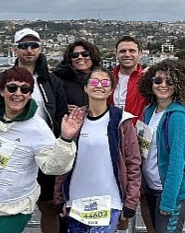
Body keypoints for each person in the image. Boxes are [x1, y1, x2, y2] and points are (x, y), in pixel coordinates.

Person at [0, 28, 69, 233]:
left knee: (48, 205)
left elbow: (60, 115)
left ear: (40, 48)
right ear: (15, 49)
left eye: (34, 45)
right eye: (23, 46)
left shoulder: (51, 82)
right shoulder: (1, 79)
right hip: (6, 153)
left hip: (40, 149)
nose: (29, 50)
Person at [54, 66, 142, 233]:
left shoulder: (122, 121)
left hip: (109, 203)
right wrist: (59, 197)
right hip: (76, 201)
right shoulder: (75, 120)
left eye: (105, 82)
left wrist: (130, 201)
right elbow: (63, 160)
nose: (99, 85)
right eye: (94, 81)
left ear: (111, 90)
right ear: (86, 87)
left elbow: (133, 164)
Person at [137, 59, 185, 233]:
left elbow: (177, 161)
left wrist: (169, 200)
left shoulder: (178, 117)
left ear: (178, 85)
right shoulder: (149, 111)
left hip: (171, 191)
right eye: (158, 80)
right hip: (152, 187)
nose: (163, 85)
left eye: (170, 81)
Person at [108, 35, 151, 233]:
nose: (127, 54)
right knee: (118, 191)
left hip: (140, 143)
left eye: (132, 51)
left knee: (144, 195)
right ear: (116, 54)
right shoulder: (107, 78)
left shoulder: (148, 80)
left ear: (139, 54)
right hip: (110, 142)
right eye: (123, 51)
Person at [52, 39, 102, 112]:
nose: (80, 57)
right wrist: (62, 108)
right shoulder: (57, 79)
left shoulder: (102, 77)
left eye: (85, 54)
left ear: (92, 56)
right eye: (75, 55)